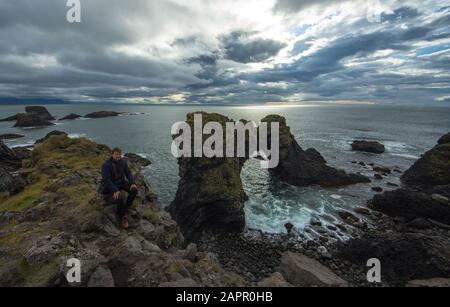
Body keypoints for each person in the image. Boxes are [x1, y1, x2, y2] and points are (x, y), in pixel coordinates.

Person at [101, 147, 138, 229]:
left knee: (134, 190)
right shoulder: (106, 165)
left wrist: (132, 183)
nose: (118, 156)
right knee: (120, 197)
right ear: (112, 154)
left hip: (121, 182)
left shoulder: (123, 162)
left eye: (119, 155)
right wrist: (115, 190)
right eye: (116, 154)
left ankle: (126, 207)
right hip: (111, 185)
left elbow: (128, 173)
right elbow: (106, 180)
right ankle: (121, 217)